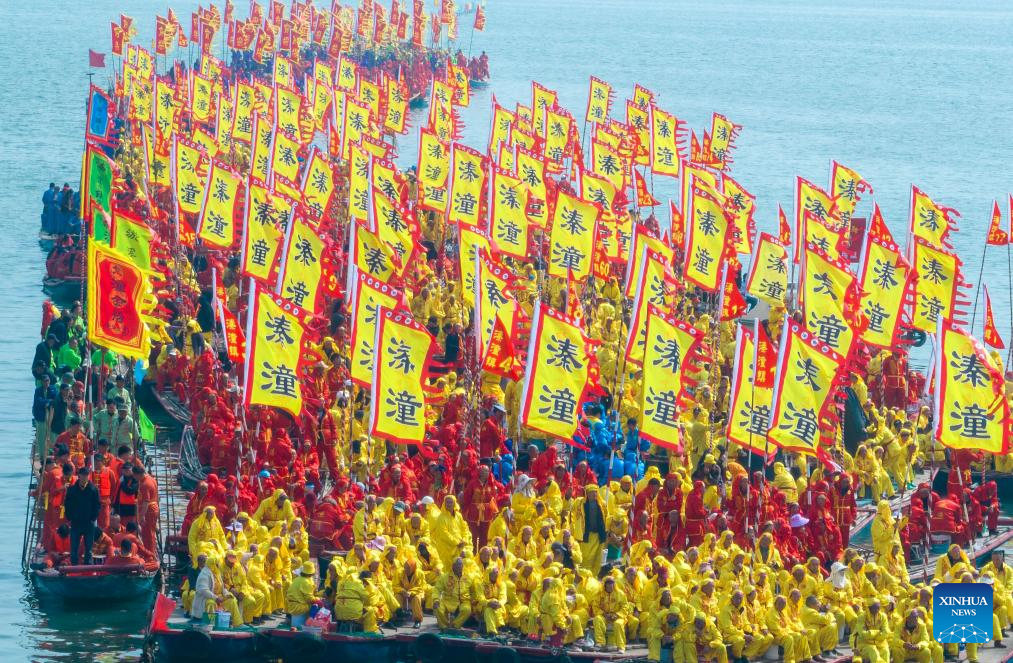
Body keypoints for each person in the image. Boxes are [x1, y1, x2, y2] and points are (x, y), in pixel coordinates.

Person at [63, 466, 100, 565]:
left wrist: (93, 518)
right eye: (82, 475)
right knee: (74, 546)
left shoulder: (93, 489)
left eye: (86, 475)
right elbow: (67, 504)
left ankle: (88, 565)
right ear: (79, 476)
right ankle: (73, 565)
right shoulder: (72, 490)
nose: (84, 477)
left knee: (89, 547)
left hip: (89, 523)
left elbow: (97, 505)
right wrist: (69, 517)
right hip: (76, 522)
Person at [286, 561, 318, 628]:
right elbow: (310, 599)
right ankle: (309, 624)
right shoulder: (306, 582)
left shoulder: (297, 579)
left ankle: (289, 619)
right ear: (311, 573)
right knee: (316, 606)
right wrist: (319, 599)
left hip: (291, 605)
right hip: (299, 607)